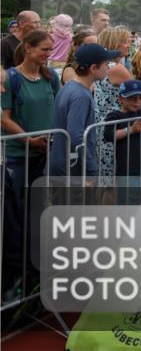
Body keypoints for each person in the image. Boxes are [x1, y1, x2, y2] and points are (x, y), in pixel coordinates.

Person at [1, 30, 61, 291]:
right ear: (27, 47)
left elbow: (56, 110)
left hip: (43, 156)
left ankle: (36, 272)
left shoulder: (51, 77)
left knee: (40, 215)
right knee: (16, 219)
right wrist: (29, 140)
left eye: (50, 49)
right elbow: (4, 118)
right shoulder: (11, 78)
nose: (49, 54)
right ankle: (16, 276)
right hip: (18, 157)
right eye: (44, 49)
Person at [50, 43, 119, 177]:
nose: (108, 67)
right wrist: (90, 169)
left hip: (64, 162)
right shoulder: (81, 96)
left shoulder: (69, 86)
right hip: (72, 168)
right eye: (106, 64)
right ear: (93, 68)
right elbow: (76, 136)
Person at [102, 80, 141, 182]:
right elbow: (109, 135)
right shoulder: (114, 116)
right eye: (132, 97)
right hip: (128, 170)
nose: (137, 101)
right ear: (121, 99)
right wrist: (131, 129)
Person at [93, 26, 134, 122]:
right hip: (117, 124)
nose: (128, 45)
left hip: (102, 122)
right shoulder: (116, 68)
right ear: (114, 44)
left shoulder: (102, 65)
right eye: (125, 42)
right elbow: (139, 94)